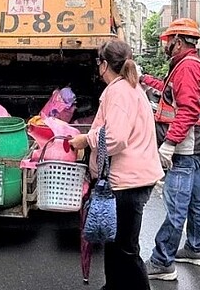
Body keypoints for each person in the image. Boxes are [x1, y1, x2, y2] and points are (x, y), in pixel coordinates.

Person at [69, 39, 164, 290]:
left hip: (128, 181)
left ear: (103, 64)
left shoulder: (119, 92)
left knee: (126, 249)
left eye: (98, 62)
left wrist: (85, 139)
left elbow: (115, 138)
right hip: (132, 177)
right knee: (113, 242)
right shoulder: (129, 88)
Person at [140, 18, 200, 281]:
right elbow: (172, 93)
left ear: (178, 41)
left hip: (184, 148)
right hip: (193, 147)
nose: (166, 46)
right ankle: (196, 248)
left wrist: (169, 144)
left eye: (169, 41)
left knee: (176, 206)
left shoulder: (187, 68)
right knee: (194, 201)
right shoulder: (186, 65)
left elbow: (188, 110)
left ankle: (162, 261)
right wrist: (144, 79)